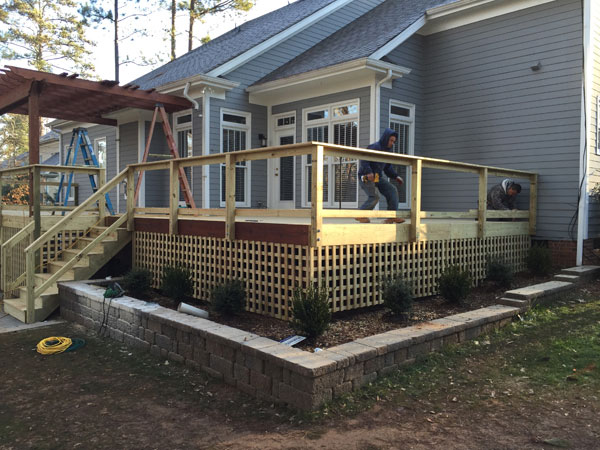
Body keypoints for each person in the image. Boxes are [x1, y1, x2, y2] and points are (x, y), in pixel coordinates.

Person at [356, 128, 405, 224]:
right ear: (385, 138)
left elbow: (387, 167)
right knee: (374, 196)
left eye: (394, 141)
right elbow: (364, 160)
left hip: (377, 177)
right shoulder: (374, 147)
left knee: (392, 190)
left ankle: (391, 216)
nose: (392, 143)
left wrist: (395, 176)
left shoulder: (387, 152)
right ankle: (360, 215)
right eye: (391, 140)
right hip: (364, 176)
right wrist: (369, 172)